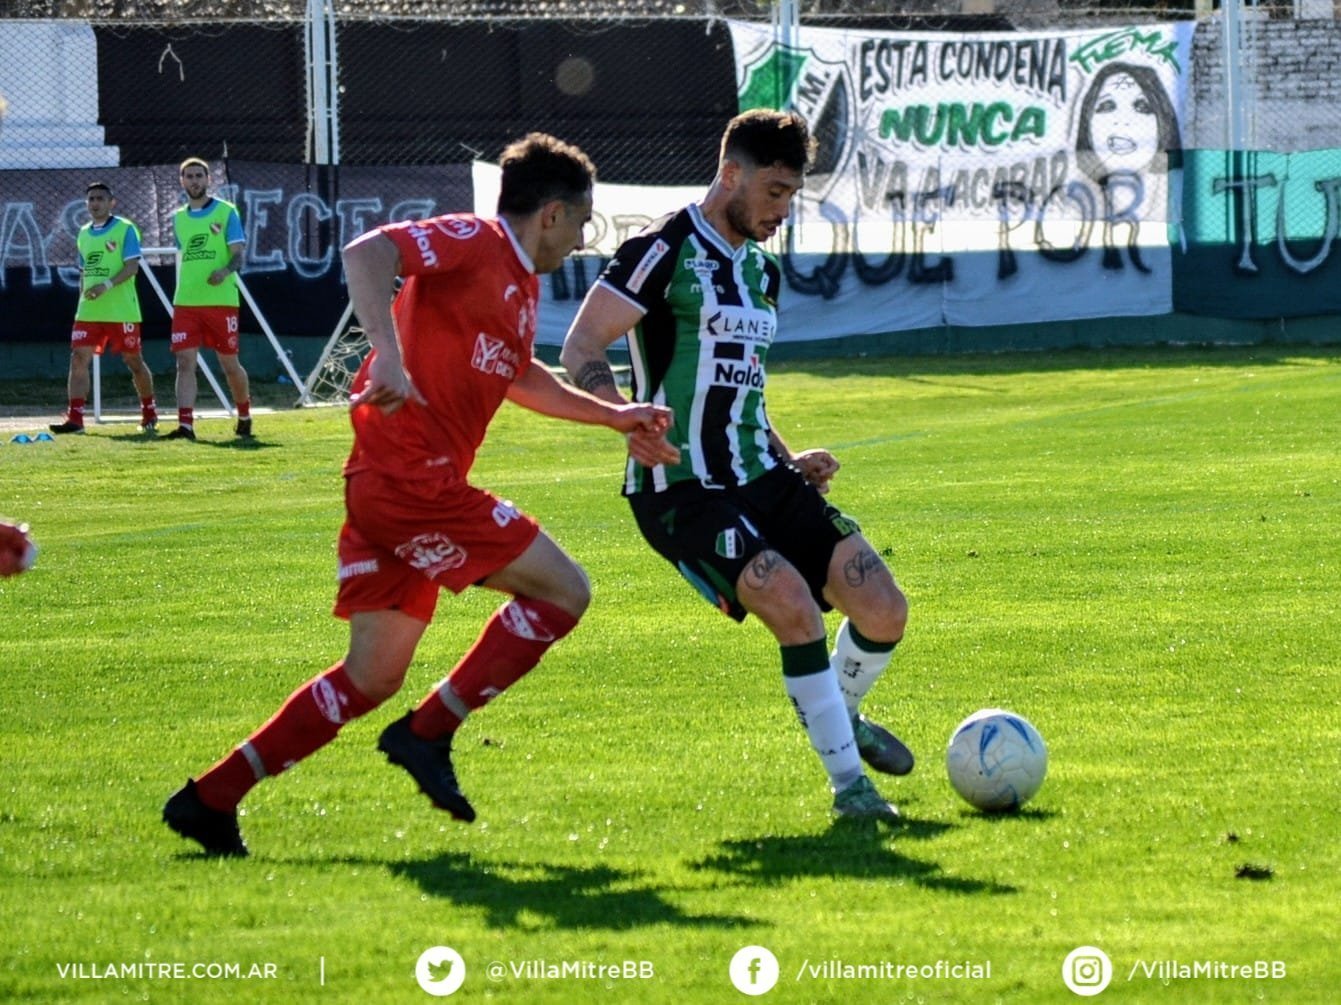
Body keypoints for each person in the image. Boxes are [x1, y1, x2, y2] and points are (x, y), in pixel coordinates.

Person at [163, 133, 676, 856]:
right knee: (565, 591)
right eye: (584, 221)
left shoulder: (518, 284)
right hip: (414, 483)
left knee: (370, 675)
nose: (585, 238)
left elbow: (517, 375)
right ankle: (429, 730)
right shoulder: (476, 238)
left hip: (388, 486)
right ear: (553, 214)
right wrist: (392, 355)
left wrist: (612, 416)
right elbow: (368, 253)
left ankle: (210, 799)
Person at [561, 109, 912, 824]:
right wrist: (622, 416)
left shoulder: (760, 272)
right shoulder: (661, 249)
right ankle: (851, 789)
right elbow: (580, 347)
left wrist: (791, 458)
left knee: (883, 609)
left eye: (791, 195)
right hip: (679, 487)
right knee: (790, 606)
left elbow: (741, 386)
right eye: (775, 193)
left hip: (762, 474)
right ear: (732, 175)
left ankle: (834, 713)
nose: (783, 211)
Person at [49, 182, 157, 435]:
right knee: (78, 359)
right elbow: (84, 272)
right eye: (91, 199)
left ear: (111, 202)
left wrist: (105, 286)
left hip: (121, 310)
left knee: (133, 361)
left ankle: (149, 411)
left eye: (100, 198)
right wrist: (82, 302)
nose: (95, 203)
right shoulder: (84, 233)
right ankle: (75, 419)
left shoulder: (125, 229)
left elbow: (132, 267)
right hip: (89, 311)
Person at [165, 157, 253, 441]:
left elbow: (238, 253)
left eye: (199, 176)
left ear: (208, 180)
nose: (194, 181)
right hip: (186, 301)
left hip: (220, 301)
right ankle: (186, 426)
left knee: (229, 364)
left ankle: (244, 414)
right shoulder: (178, 218)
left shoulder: (226, 212)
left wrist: (225, 270)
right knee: (184, 362)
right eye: (188, 176)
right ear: (182, 181)